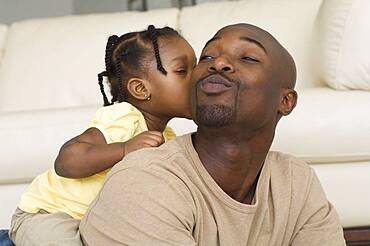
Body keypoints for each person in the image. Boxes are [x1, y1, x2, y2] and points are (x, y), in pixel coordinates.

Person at [80, 23, 346, 245]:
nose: (218, 63)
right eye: (207, 57)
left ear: (285, 101)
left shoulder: (295, 181)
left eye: (248, 58)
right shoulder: (145, 180)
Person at [9, 25, 196, 246]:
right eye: (183, 71)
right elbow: (67, 160)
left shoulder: (167, 136)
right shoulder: (124, 118)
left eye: (197, 66)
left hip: (96, 223)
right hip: (50, 215)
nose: (198, 77)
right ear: (141, 89)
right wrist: (124, 149)